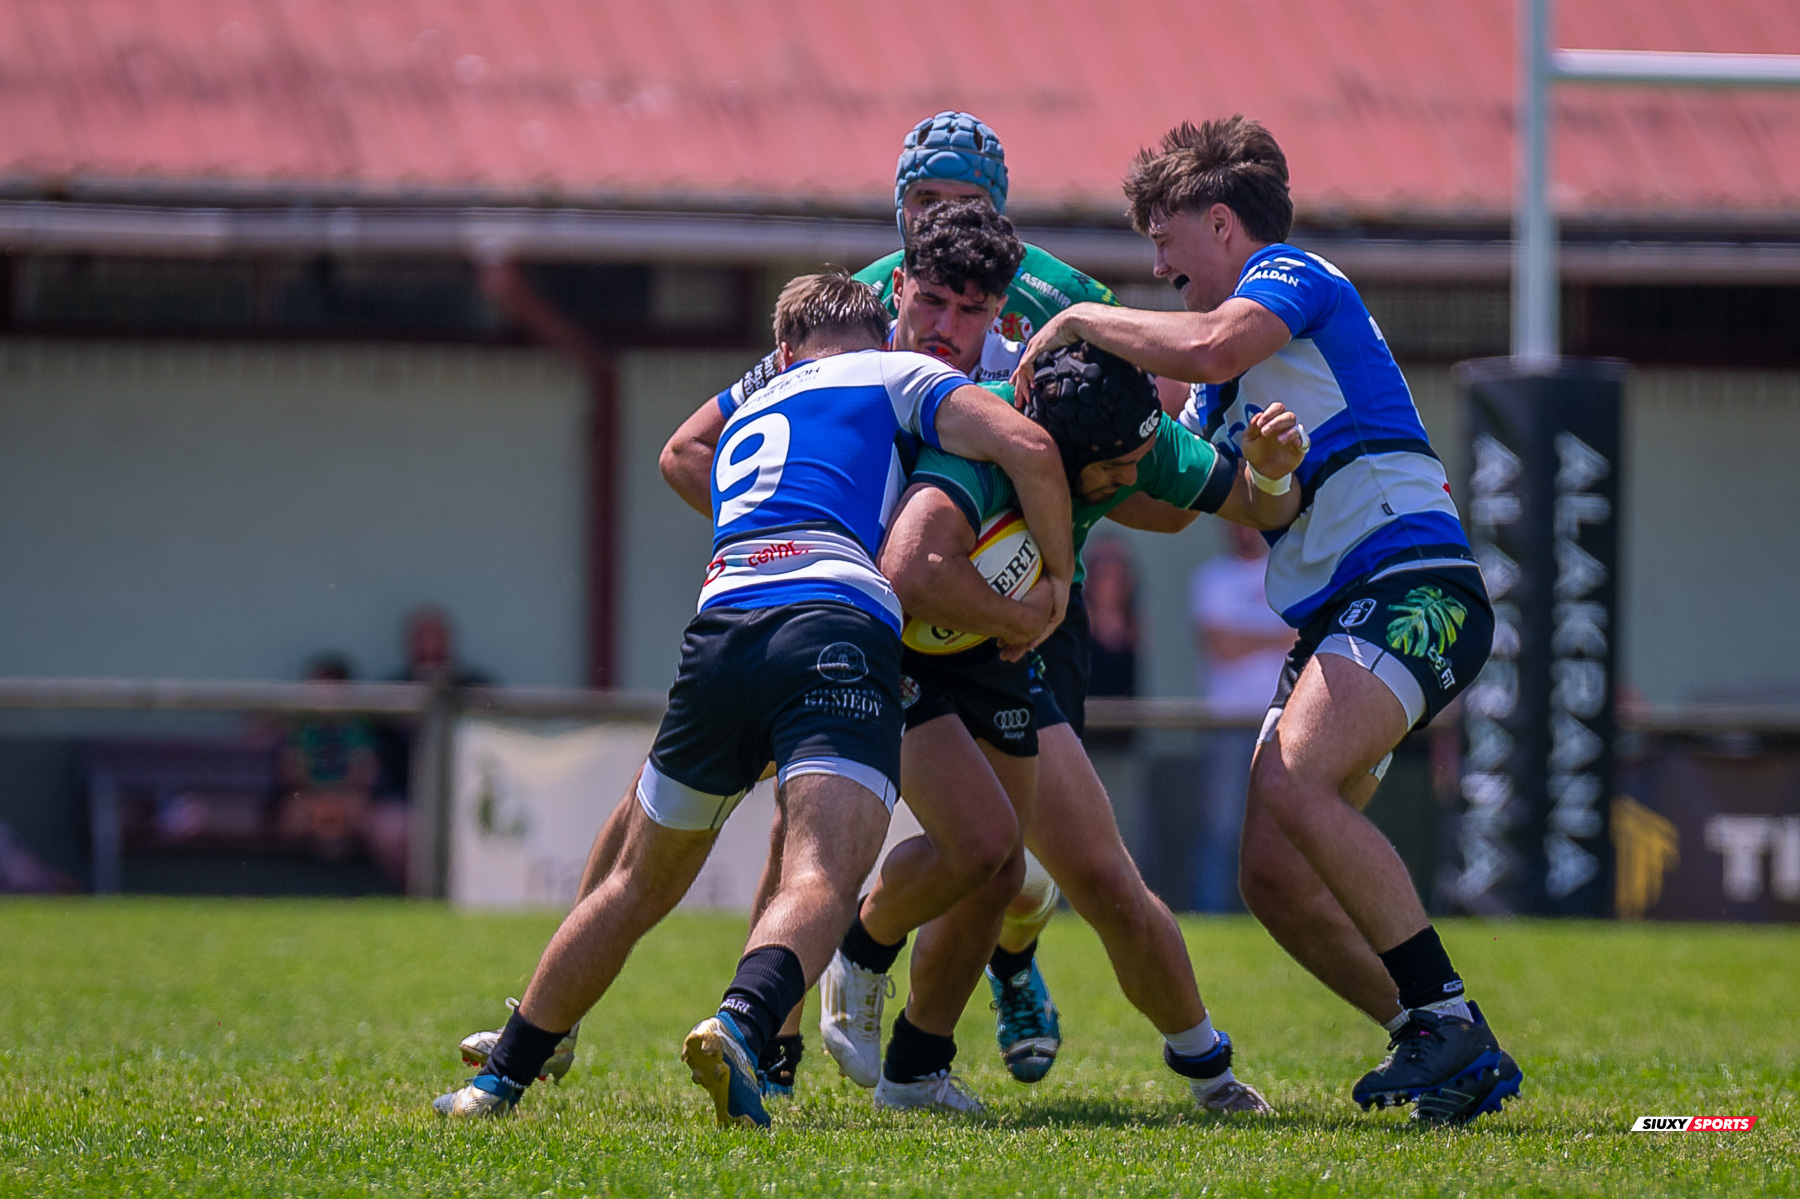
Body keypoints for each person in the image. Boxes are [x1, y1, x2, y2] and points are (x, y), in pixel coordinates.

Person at [432, 270, 1073, 1123]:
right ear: (880, 333)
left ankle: (498, 1078)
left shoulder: (755, 402)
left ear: (781, 350)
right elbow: (1027, 446)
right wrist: (1056, 586)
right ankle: (743, 1019)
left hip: (721, 626)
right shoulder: (895, 373)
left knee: (632, 881)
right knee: (822, 871)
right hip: (833, 626)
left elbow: (679, 452)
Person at [1011, 115, 1521, 1125]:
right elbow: (1181, 493)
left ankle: (1444, 1012)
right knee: (1273, 877)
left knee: (1297, 775)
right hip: (1338, 611)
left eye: (1165, 240)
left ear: (1221, 222)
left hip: (1412, 579)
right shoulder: (1224, 384)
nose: (1158, 267)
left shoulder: (1292, 275)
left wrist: (1078, 323)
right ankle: (1452, 1049)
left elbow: (1205, 343)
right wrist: (1076, 463)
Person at [835, 340, 1295, 1114]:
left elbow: (1257, 503)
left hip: (999, 654)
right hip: (899, 645)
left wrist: (1274, 466)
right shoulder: (981, 444)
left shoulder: (1131, 432)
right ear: (1052, 452)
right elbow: (910, 571)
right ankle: (865, 945)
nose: (1129, 482)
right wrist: (1030, 609)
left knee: (1085, 874)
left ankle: (1205, 1068)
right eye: (1114, 472)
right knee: (979, 848)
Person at [1188, 525, 1295, 912]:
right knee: (1221, 827)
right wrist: (1275, 636)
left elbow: (1302, 639)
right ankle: (1212, 911)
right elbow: (1221, 645)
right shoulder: (1211, 578)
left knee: (1283, 828)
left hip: (1285, 721)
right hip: (1226, 723)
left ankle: (1280, 914)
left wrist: (1248, 636)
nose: (1245, 530)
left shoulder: (1288, 574)